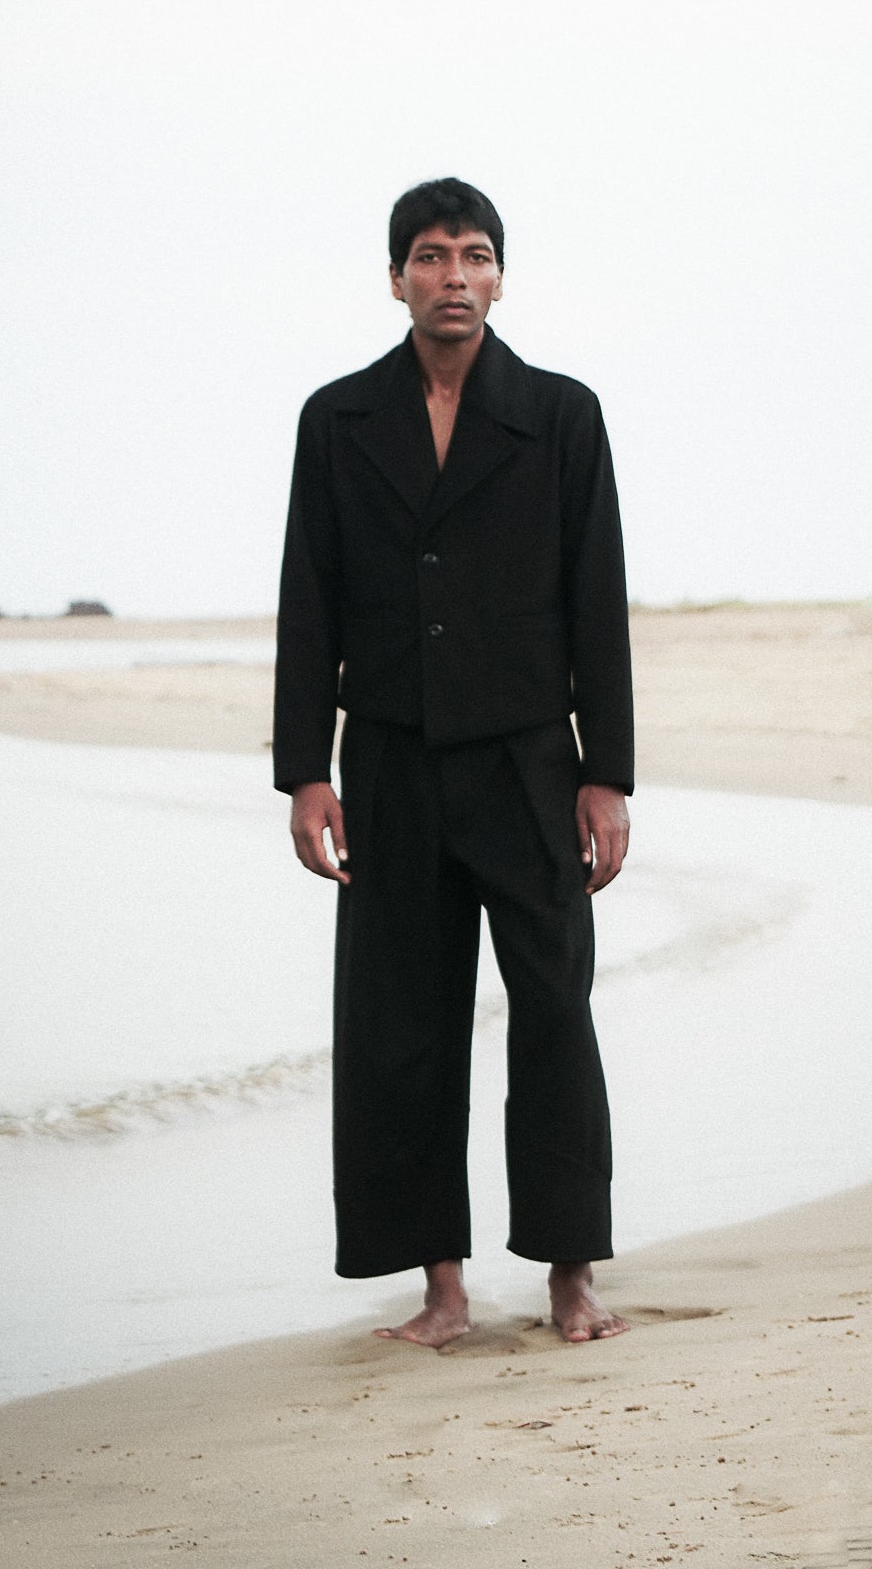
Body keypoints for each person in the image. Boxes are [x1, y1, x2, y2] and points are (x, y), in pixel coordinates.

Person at [273, 176, 633, 1347]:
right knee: (402, 1028)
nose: (455, 276)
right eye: (431, 256)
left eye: (475, 255)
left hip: (528, 760)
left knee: (554, 1011)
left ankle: (572, 1273)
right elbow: (308, 598)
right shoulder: (338, 419)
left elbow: (596, 598)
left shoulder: (561, 415)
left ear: (500, 277)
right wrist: (306, 770)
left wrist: (606, 771)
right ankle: (442, 1287)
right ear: (397, 278)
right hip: (388, 760)